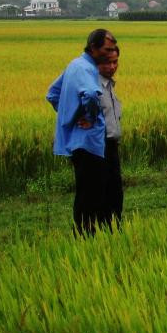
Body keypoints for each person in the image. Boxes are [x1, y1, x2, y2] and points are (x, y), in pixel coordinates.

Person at [46, 28, 118, 235]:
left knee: (88, 191)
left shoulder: (74, 64)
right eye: (107, 49)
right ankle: (87, 236)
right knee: (91, 193)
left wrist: (69, 114)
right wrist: (89, 117)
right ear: (93, 47)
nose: (110, 53)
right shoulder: (86, 68)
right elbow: (90, 94)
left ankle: (92, 234)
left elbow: (53, 93)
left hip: (77, 141)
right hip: (89, 142)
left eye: (113, 49)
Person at [96, 45, 123, 228]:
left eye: (115, 62)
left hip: (112, 145)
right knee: (100, 193)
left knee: (115, 192)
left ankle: (114, 230)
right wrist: (76, 118)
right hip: (97, 146)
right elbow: (55, 95)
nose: (112, 67)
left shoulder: (109, 85)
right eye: (107, 63)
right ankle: (97, 232)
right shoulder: (93, 86)